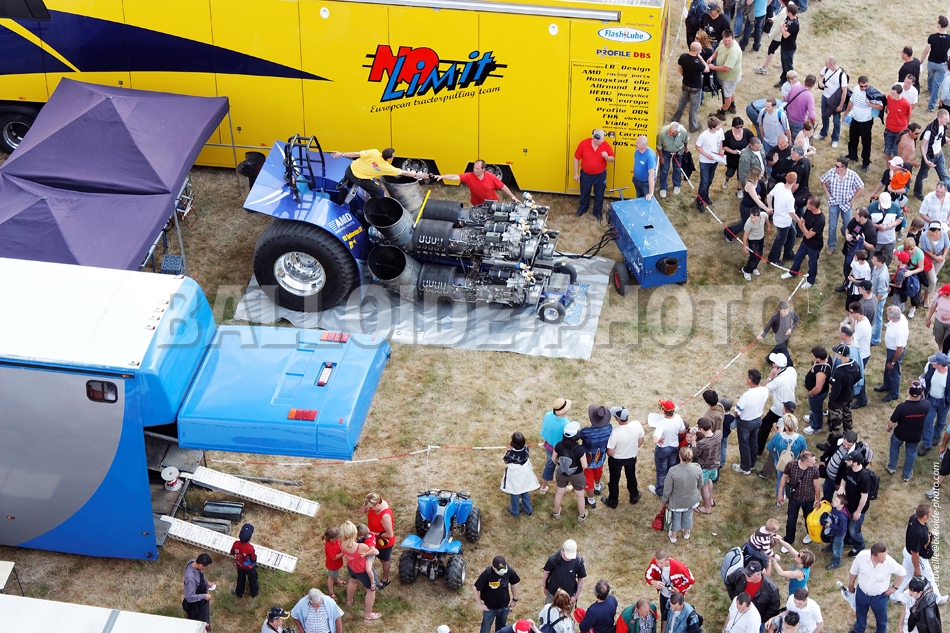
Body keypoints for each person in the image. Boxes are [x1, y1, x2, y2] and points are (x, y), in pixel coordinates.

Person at [847, 543, 906, 633]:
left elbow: (902, 572)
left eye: (885, 555)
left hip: (880, 597)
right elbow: (854, 571)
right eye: (882, 556)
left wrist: (894, 588)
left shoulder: (889, 562)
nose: (885, 558)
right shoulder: (861, 557)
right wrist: (851, 585)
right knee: (860, 614)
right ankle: (858, 630)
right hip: (862, 593)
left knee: (881, 619)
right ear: (873, 556)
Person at [895, 504, 948, 603]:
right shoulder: (919, 534)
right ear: (925, 516)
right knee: (929, 577)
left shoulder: (914, 518)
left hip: (907, 551)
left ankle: (895, 595)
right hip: (917, 557)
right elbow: (915, 553)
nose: (931, 513)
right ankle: (936, 599)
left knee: (906, 574)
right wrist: (917, 568)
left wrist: (929, 534)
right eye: (930, 512)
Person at [330, 148, 427, 198]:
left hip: (350, 169)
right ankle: (374, 207)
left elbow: (356, 154)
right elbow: (403, 172)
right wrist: (418, 175)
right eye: (393, 156)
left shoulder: (374, 152)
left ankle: (340, 201)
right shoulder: (387, 167)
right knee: (378, 190)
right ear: (389, 159)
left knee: (346, 186)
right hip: (359, 179)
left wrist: (342, 154)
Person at [886, 380, 930, 482]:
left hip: (900, 434)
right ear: (921, 393)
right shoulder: (926, 405)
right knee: (911, 454)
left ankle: (892, 467)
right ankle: (906, 474)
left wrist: (888, 428)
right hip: (915, 435)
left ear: (909, 392)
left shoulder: (902, 407)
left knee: (894, 447)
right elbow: (922, 401)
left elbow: (891, 422)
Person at [820, 156, 865, 253]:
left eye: (837, 166)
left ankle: (846, 235)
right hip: (834, 203)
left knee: (848, 225)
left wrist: (853, 199)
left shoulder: (852, 175)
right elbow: (823, 181)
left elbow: (861, 187)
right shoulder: (831, 172)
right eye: (835, 165)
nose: (835, 167)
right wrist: (827, 193)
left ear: (844, 167)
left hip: (846, 204)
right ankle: (831, 245)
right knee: (832, 226)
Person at [602, 405, 644, 508]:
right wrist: (632, 449)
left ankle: (613, 502)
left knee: (614, 480)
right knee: (631, 476)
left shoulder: (615, 433)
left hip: (616, 460)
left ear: (617, 419)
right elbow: (641, 440)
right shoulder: (637, 424)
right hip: (632, 457)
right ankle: (634, 496)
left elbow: (610, 452)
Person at [842, 76, 885, 173]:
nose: (863, 88)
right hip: (855, 120)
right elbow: (851, 101)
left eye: (865, 86)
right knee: (852, 140)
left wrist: (870, 104)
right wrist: (846, 113)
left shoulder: (871, 93)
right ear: (858, 84)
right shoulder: (856, 89)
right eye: (862, 86)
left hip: (866, 122)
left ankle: (865, 162)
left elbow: (880, 107)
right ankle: (852, 155)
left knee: (866, 143)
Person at [644, 550, 696, 630]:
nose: (658, 565)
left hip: (676, 597)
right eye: (657, 562)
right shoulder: (654, 562)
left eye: (661, 563)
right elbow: (647, 574)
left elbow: (690, 581)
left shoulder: (679, 567)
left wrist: (679, 590)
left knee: (676, 616)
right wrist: (653, 582)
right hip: (663, 595)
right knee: (664, 615)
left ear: (667, 559)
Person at [777, 449, 820, 545]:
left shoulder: (814, 469)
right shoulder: (791, 465)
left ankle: (810, 534)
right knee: (791, 521)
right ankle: (788, 541)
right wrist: (780, 492)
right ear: (805, 461)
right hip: (794, 498)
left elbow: (817, 486)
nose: (814, 463)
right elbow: (784, 477)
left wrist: (818, 501)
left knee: (809, 519)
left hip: (809, 499)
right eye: (812, 461)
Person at [339, 520, 380, 620]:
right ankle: (368, 614)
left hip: (351, 567)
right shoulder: (361, 547)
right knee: (371, 591)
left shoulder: (341, 543)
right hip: (363, 571)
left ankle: (349, 601)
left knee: (353, 581)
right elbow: (375, 552)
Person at [662, 446, 703, 543]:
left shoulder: (673, 471)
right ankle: (686, 533)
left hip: (677, 502)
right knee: (688, 515)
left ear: (680, 456)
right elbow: (700, 484)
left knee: (676, 517)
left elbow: (667, 489)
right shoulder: (697, 468)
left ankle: (673, 536)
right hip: (692, 499)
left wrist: (664, 501)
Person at [837, 448, 872, 557]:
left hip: (857, 508)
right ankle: (848, 540)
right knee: (847, 526)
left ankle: (859, 546)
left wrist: (858, 512)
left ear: (855, 463)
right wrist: (842, 487)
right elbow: (844, 480)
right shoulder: (848, 469)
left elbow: (864, 497)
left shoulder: (864, 477)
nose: (846, 461)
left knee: (854, 530)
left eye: (848, 460)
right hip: (848, 504)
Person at [734, 369, 770, 474]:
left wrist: (737, 417)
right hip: (757, 420)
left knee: (744, 444)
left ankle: (745, 467)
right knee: (753, 442)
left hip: (745, 423)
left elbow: (737, 411)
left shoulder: (746, 396)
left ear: (750, 380)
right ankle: (752, 463)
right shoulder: (764, 390)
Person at [437, 160, 520, 206]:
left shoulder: (491, 177)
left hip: (493, 205)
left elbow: (503, 187)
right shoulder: (469, 176)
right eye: (474, 168)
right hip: (477, 206)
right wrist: (442, 176)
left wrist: (513, 198)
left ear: (483, 169)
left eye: (477, 169)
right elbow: (454, 177)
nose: (474, 170)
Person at [574, 129, 615, 221]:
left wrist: (607, 157)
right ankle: (582, 209)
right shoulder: (584, 144)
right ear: (595, 138)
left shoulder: (605, 145)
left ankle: (597, 212)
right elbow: (576, 158)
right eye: (601, 139)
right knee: (584, 192)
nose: (603, 141)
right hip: (586, 174)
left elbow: (613, 158)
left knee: (599, 194)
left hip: (600, 175)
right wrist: (576, 173)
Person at [784, 195, 824, 288]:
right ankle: (793, 272)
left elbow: (808, 235)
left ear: (813, 206)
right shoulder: (808, 211)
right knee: (798, 257)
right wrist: (804, 228)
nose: (806, 205)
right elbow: (800, 222)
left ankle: (810, 281)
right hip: (805, 243)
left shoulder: (820, 220)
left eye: (808, 204)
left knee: (812, 263)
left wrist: (803, 227)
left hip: (815, 246)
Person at [474, 555, 521, 633]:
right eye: (499, 571)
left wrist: (515, 599)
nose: (502, 574)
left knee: (502, 629)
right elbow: (475, 588)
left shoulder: (509, 571)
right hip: (490, 609)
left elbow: (514, 583)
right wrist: (480, 604)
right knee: (485, 630)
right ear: (493, 567)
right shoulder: (487, 573)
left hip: (504, 607)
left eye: (503, 571)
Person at [552, 421, 589, 521]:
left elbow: (553, 459)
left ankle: (556, 512)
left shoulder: (558, 445)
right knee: (580, 495)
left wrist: (561, 466)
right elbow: (584, 466)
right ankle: (582, 516)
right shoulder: (580, 449)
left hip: (561, 472)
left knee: (559, 493)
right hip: (577, 475)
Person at [649, 399, 685, 497]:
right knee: (671, 468)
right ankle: (671, 486)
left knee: (662, 470)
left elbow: (654, 440)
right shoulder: (678, 418)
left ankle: (660, 490)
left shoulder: (661, 423)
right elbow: (682, 430)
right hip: (674, 447)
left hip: (663, 449)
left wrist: (659, 439)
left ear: (663, 411)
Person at [580, 404, 613, 508]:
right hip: (601, 457)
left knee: (588, 480)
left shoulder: (586, 431)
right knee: (598, 473)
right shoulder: (609, 428)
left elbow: (578, 436)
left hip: (587, 460)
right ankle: (598, 487)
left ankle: (591, 500)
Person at [913, 109, 950, 200]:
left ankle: (948, 194)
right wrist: (926, 160)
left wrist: (946, 139)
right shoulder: (930, 130)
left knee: (944, 177)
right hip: (930, 156)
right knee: (922, 175)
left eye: (948, 119)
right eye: (946, 119)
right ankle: (917, 193)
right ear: (939, 118)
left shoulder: (942, 126)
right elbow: (922, 146)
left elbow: (939, 135)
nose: (948, 121)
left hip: (939, 154)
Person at [360, 492, 395, 588]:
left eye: (371, 508)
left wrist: (373, 533)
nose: (369, 509)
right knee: (368, 557)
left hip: (383, 542)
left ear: (378, 505)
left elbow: (390, 534)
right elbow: (361, 511)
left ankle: (385, 579)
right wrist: (366, 502)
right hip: (371, 539)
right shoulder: (375, 503)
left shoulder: (385, 516)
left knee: (384, 561)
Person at [502, 431, 539, 517]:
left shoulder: (510, 454)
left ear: (513, 443)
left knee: (514, 492)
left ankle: (515, 511)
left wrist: (509, 450)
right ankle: (528, 509)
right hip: (525, 474)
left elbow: (506, 460)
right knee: (525, 490)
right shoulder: (526, 449)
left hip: (514, 476)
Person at [674, 44, 709, 134]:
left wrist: (684, 75)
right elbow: (707, 69)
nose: (701, 51)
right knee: (693, 107)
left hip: (685, 84)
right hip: (695, 87)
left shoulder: (683, 56)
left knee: (681, 103)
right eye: (700, 49)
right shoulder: (698, 62)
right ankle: (693, 126)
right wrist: (701, 59)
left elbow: (679, 68)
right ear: (696, 51)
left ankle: (675, 119)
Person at [689, 416, 722, 513]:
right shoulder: (718, 434)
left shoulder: (702, 443)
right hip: (715, 466)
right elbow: (713, 432)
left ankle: (707, 508)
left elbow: (694, 453)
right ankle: (710, 501)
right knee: (710, 481)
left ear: (701, 429)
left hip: (705, 468)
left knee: (704, 488)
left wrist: (693, 439)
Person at [539, 397, 572, 494]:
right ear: (564, 411)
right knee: (563, 468)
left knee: (549, 465)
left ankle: (543, 487)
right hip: (560, 450)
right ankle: (563, 487)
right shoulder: (566, 424)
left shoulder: (548, 415)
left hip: (548, 446)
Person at [920, 353, 950, 457]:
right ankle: (927, 444)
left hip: (944, 402)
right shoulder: (930, 367)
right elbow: (925, 377)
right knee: (928, 421)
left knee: (941, 420)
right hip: (930, 400)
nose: (931, 362)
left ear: (940, 365)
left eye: (934, 362)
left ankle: (936, 435)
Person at [708, 30, 743, 120]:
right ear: (722, 38)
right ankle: (732, 106)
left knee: (727, 95)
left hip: (729, 78)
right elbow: (717, 51)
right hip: (726, 76)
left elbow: (727, 68)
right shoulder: (722, 42)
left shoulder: (733, 52)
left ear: (733, 39)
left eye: (729, 41)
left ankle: (722, 113)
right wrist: (711, 57)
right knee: (731, 91)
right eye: (725, 41)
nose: (727, 43)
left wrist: (713, 67)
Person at [695, 116, 726, 211]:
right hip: (705, 162)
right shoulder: (704, 136)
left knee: (710, 180)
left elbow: (720, 141)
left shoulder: (720, 131)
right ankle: (700, 201)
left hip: (714, 160)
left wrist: (720, 152)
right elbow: (697, 147)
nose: (720, 126)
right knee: (704, 182)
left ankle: (705, 195)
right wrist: (707, 155)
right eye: (718, 125)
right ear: (712, 127)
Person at [542, 540, 586, 605]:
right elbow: (546, 573)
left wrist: (576, 596)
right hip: (553, 594)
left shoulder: (578, 562)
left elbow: (581, 578)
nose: (570, 558)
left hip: (569, 596)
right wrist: (545, 587)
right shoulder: (553, 560)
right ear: (563, 549)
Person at [817, 57, 849, 148]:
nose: (825, 66)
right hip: (825, 96)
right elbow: (820, 76)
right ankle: (823, 132)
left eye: (826, 64)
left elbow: (844, 91)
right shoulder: (826, 68)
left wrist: (841, 105)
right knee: (824, 116)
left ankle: (835, 138)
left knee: (836, 120)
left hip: (835, 100)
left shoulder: (842, 75)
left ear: (832, 64)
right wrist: (820, 82)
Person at [827, 345, 859, 434]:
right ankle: (848, 433)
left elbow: (836, 389)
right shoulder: (855, 365)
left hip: (839, 400)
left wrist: (832, 399)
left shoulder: (840, 372)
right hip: (849, 395)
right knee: (847, 415)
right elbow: (858, 377)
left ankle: (834, 438)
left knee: (835, 420)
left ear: (840, 355)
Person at [881, 305, 910, 403]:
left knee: (894, 372)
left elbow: (899, 349)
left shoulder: (899, 331)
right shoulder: (900, 317)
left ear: (892, 317)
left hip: (895, 352)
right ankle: (886, 385)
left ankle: (894, 393)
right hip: (891, 350)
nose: (886, 313)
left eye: (887, 313)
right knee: (887, 369)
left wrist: (893, 362)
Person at [767, 172, 798, 262]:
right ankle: (773, 258)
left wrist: (770, 207)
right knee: (780, 241)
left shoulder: (779, 185)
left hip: (781, 219)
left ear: (785, 178)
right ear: (794, 181)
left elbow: (769, 196)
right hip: (783, 222)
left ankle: (788, 254)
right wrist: (799, 221)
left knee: (792, 234)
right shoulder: (790, 198)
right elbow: (792, 213)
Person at [867, 192, 903, 265]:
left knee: (888, 257)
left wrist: (894, 224)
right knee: (872, 259)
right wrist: (877, 226)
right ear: (879, 201)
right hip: (875, 240)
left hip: (890, 240)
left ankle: (884, 269)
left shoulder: (895, 206)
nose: (885, 208)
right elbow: (866, 221)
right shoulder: (871, 207)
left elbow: (900, 218)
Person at [923, 16, 950, 111]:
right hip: (942, 64)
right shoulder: (949, 38)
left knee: (930, 77)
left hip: (931, 62)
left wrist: (921, 60)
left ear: (939, 25)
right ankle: (931, 106)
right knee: (937, 86)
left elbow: (926, 50)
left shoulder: (932, 37)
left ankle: (929, 90)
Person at [657, 122, 690, 197]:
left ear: (678, 132)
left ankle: (677, 185)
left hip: (678, 151)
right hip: (666, 152)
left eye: (673, 133)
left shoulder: (683, 132)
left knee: (677, 169)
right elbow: (659, 146)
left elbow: (686, 141)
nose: (670, 133)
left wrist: (685, 149)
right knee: (664, 170)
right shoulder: (662, 133)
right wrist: (661, 157)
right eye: (670, 131)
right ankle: (663, 188)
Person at [802, 347, 831, 434]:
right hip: (819, 392)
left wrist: (811, 393)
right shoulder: (827, 358)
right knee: (814, 409)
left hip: (817, 394)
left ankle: (816, 426)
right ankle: (812, 417)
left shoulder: (821, 372)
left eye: (813, 355)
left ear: (818, 358)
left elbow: (818, 388)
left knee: (816, 410)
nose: (812, 355)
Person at [921, 224, 950, 308]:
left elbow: (947, 245)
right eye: (932, 231)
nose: (934, 234)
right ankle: (926, 296)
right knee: (933, 281)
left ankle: (925, 293)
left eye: (936, 232)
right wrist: (935, 257)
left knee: (932, 278)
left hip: (940, 259)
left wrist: (943, 256)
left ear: (939, 230)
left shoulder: (944, 234)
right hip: (929, 259)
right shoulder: (924, 235)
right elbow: (925, 249)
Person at [183, 553, 214, 630]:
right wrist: (204, 596)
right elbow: (189, 597)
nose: (206, 568)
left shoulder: (193, 562)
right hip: (196, 605)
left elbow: (199, 576)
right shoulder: (190, 579)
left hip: (201, 600)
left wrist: (206, 582)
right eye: (206, 567)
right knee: (201, 623)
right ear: (200, 565)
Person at [722, 117, 754, 192]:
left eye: (741, 127)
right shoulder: (728, 134)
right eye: (737, 127)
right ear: (733, 126)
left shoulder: (747, 133)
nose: (739, 129)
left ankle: (739, 189)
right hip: (731, 158)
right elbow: (723, 146)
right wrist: (732, 151)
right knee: (729, 173)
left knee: (740, 175)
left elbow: (753, 142)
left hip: (743, 159)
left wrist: (746, 149)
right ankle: (726, 179)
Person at [820, 493, 850, 569]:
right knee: (832, 540)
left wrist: (830, 525)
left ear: (842, 505)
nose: (834, 501)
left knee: (837, 547)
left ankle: (836, 562)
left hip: (839, 534)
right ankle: (831, 547)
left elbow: (842, 528)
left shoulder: (842, 516)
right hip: (833, 530)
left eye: (836, 501)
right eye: (834, 500)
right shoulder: (834, 508)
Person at [885, 84, 913, 161]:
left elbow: (909, 115)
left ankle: (896, 165)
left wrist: (905, 125)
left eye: (893, 93)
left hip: (900, 131)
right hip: (889, 128)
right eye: (891, 92)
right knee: (887, 149)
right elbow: (886, 108)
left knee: (896, 151)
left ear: (899, 93)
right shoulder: (889, 98)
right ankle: (889, 165)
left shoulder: (906, 104)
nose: (891, 94)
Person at [741, 207, 770, 281]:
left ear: (759, 216)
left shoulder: (763, 215)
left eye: (754, 218)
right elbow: (745, 234)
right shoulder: (749, 223)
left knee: (760, 254)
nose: (752, 219)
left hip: (761, 237)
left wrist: (769, 226)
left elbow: (766, 218)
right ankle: (746, 270)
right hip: (753, 240)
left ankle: (754, 267)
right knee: (754, 256)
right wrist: (744, 246)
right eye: (751, 217)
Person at [231, 523, 259, 599]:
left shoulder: (236, 544)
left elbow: (232, 552)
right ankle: (254, 594)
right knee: (253, 580)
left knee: (240, 579)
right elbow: (253, 558)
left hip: (240, 566)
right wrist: (254, 561)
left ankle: (239, 593)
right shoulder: (250, 548)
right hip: (249, 567)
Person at [776, 3, 799, 87]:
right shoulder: (788, 18)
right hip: (784, 46)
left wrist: (781, 26)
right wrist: (784, 28)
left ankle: (793, 84)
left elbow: (785, 35)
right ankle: (783, 81)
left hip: (789, 48)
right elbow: (785, 27)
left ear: (790, 12)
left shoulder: (795, 24)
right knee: (784, 65)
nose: (785, 11)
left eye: (787, 11)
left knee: (789, 68)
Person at [323, 527, 345, 600]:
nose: (338, 538)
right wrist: (343, 553)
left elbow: (339, 543)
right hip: (332, 565)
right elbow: (334, 557)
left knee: (336, 573)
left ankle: (336, 580)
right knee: (331, 578)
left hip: (336, 564)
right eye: (336, 537)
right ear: (331, 539)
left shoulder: (335, 541)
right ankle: (331, 592)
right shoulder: (329, 546)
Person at [632, 135, 657, 200]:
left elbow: (652, 174)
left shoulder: (650, 156)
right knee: (639, 198)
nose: (635, 144)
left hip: (645, 184)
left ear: (643, 145)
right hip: (637, 180)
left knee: (646, 201)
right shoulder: (637, 151)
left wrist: (650, 192)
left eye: (637, 143)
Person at [926, 283, 950, 349]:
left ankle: (945, 353)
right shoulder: (939, 295)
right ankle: (940, 350)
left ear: (948, 294)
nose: (940, 294)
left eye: (943, 293)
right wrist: (928, 319)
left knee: (947, 341)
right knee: (938, 338)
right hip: (939, 321)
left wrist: (948, 317)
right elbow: (933, 306)